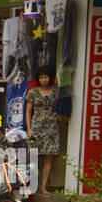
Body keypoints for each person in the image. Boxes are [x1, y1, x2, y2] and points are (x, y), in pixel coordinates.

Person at [26, 66, 63, 194]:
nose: (44, 80)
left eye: (46, 77)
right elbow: (28, 112)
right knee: (34, 156)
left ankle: (43, 186)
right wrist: (29, 129)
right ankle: (32, 184)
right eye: (41, 77)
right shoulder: (33, 92)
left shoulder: (55, 91)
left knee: (48, 157)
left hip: (52, 127)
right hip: (37, 126)